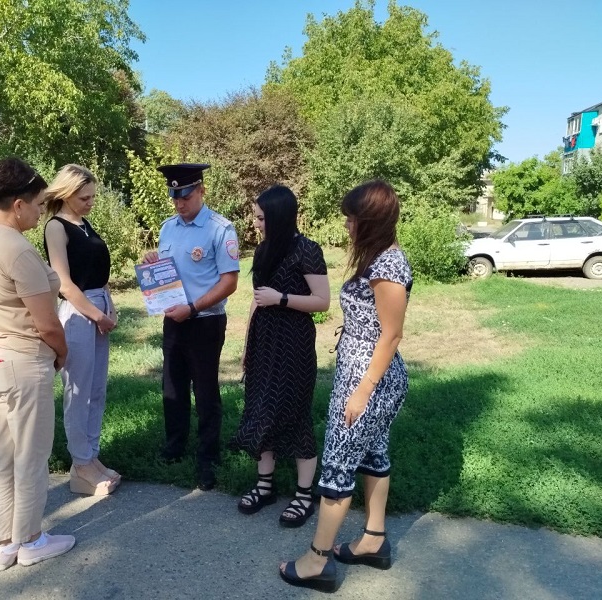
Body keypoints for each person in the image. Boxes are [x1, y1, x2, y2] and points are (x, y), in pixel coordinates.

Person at [279, 180, 413, 592]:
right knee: (373, 456)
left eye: (353, 219)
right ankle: (373, 539)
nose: (348, 226)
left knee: (338, 466)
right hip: (363, 377)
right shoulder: (378, 259)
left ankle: (317, 561)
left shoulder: (388, 267)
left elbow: (391, 335)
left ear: (370, 221)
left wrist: (362, 391)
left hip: (369, 382)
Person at [0, 157, 75, 571]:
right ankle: (31, 539)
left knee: (4, 451)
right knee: (31, 453)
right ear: (17, 204)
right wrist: (62, 354)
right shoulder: (18, 250)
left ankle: (5, 541)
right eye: (36, 203)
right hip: (21, 359)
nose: (39, 210)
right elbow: (47, 323)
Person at [230, 185, 330, 527]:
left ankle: (304, 495)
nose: (255, 224)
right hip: (264, 341)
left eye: (260, 217)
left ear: (278, 216)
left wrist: (282, 298)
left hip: (294, 344)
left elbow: (322, 301)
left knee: (294, 413)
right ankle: (265, 485)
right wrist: (246, 346)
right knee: (261, 409)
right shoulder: (263, 252)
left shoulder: (308, 250)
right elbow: (258, 302)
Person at [141, 163, 240, 491]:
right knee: (173, 386)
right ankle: (175, 446)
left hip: (205, 321)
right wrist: (155, 267)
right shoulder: (168, 227)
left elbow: (229, 282)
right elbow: (170, 272)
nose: (179, 203)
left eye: (185, 195)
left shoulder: (220, 229)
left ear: (201, 191)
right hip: (174, 320)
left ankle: (208, 456)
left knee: (206, 390)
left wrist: (194, 307)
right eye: (174, 196)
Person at [43, 164, 120, 497]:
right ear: (67, 193)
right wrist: (97, 315)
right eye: (84, 197)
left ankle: (91, 456)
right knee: (78, 390)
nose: (90, 202)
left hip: (99, 305)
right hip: (78, 312)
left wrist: (110, 304)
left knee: (97, 388)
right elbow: (64, 284)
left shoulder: (84, 223)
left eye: (92, 196)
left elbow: (98, 273)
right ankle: (81, 462)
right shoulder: (56, 227)